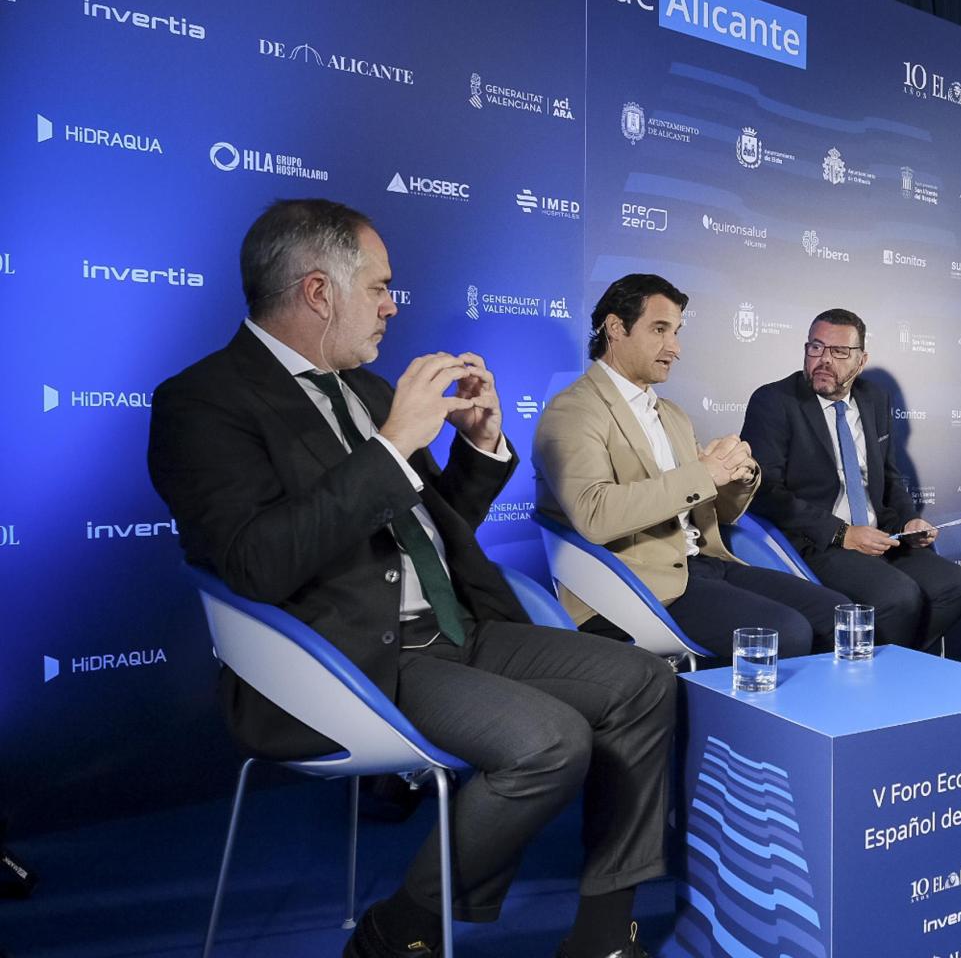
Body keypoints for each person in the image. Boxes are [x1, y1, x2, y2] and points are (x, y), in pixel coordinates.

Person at [147, 200, 670, 958]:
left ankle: (602, 934)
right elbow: (257, 562)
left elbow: (422, 530)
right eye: (380, 287)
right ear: (319, 292)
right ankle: (404, 929)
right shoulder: (203, 403)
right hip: (352, 658)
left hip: (460, 628)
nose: (394, 305)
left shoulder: (367, 390)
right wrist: (392, 448)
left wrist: (480, 452)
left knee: (644, 682)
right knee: (549, 741)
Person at [533, 274, 846, 661]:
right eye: (660, 330)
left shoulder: (672, 414)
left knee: (838, 617)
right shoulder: (574, 410)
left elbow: (719, 512)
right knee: (788, 632)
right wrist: (703, 474)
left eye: (676, 332)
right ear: (616, 328)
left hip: (706, 564)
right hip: (635, 585)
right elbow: (595, 514)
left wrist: (737, 475)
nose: (675, 348)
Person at [741, 308, 961, 651]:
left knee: (955, 585)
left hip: (882, 536)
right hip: (818, 542)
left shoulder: (874, 399)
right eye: (816, 348)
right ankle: (884, 681)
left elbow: (890, 476)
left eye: (839, 352)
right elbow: (766, 492)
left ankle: (893, 665)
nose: (823, 360)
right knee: (899, 597)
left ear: (861, 360)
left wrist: (909, 519)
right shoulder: (775, 401)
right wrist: (842, 533)